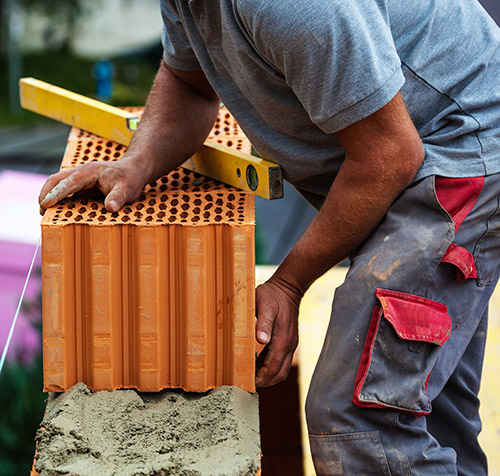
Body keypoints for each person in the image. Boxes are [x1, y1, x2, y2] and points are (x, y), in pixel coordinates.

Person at [39, 0, 500, 474]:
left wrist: (288, 284)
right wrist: (135, 165)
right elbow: (188, 84)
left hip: (465, 154)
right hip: (415, 151)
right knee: (420, 401)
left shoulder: (292, 7)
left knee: (361, 417)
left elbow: (388, 156)